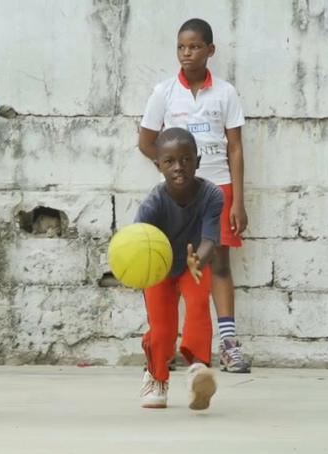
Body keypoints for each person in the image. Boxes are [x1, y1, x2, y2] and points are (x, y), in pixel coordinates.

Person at [138, 18, 250, 373]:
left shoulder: (226, 93)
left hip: (218, 188)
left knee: (217, 263)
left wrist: (239, 201)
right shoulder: (165, 92)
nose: (187, 53)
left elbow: (235, 148)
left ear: (210, 51)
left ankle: (228, 343)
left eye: (195, 47)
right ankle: (163, 342)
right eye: (182, 47)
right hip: (179, 195)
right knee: (170, 266)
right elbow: (146, 140)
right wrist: (173, 171)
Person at [135, 127, 222, 410]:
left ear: (197, 161)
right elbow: (137, 244)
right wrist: (135, 268)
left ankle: (199, 370)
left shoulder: (211, 195)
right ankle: (156, 376)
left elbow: (210, 239)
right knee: (162, 329)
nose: (178, 167)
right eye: (169, 161)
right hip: (157, 267)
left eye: (185, 159)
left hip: (194, 263)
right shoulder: (153, 203)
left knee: (198, 306)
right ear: (158, 165)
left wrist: (199, 259)